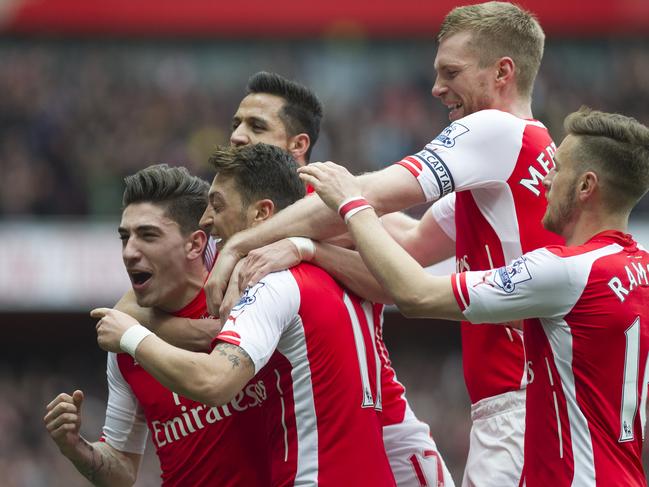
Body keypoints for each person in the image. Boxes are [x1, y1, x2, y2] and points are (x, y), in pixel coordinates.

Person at [207, 2, 556, 484]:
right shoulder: (517, 164)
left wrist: (239, 244)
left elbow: (360, 199)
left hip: (517, 399)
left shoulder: (493, 129)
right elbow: (403, 248)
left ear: (503, 72)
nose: (436, 89)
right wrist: (307, 227)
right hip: (531, 396)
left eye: (450, 72)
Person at [120, 70, 454, 487]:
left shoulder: (336, 207)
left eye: (257, 126)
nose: (239, 135)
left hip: (379, 421)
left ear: (299, 147)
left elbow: (401, 287)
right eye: (236, 124)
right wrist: (205, 330)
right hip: (287, 426)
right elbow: (131, 306)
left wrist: (307, 247)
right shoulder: (227, 215)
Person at [300, 107, 649, 486]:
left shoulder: (565, 272)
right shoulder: (642, 270)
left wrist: (352, 205)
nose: (546, 180)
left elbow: (415, 293)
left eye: (558, 168)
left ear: (586, 187)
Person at [92, 143, 397, 487]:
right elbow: (400, 284)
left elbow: (212, 381)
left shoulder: (270, 287)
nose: (207, 219)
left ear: (261, 214)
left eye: (217, 205)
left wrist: (132, 336)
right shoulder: (337, 271)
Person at [43, 164, 272, 486]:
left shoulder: (249, 299)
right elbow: (121, 468)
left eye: (148, 235)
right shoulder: (124, 341)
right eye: (125, 237)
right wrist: (74, 446)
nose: (129, 252)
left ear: (195, 244)